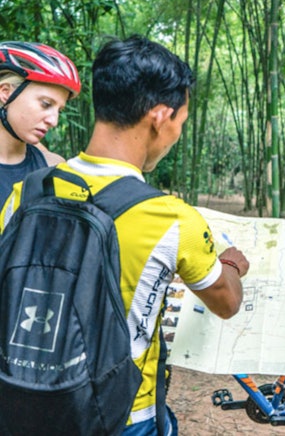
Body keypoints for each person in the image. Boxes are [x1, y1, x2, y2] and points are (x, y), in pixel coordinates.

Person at [0, 34, 250, 436]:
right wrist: (232, 263)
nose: (176, 136)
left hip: (25, 406)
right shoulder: (173, 219)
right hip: (122, 417)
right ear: (161, 116)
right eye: (180, 124)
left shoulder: (25, 193)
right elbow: (227, 302)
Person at [0, 41, 81, 207]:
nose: (54, 121)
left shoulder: (53, 168)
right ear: (5, 92)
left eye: (59, 110)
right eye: (45, 104)